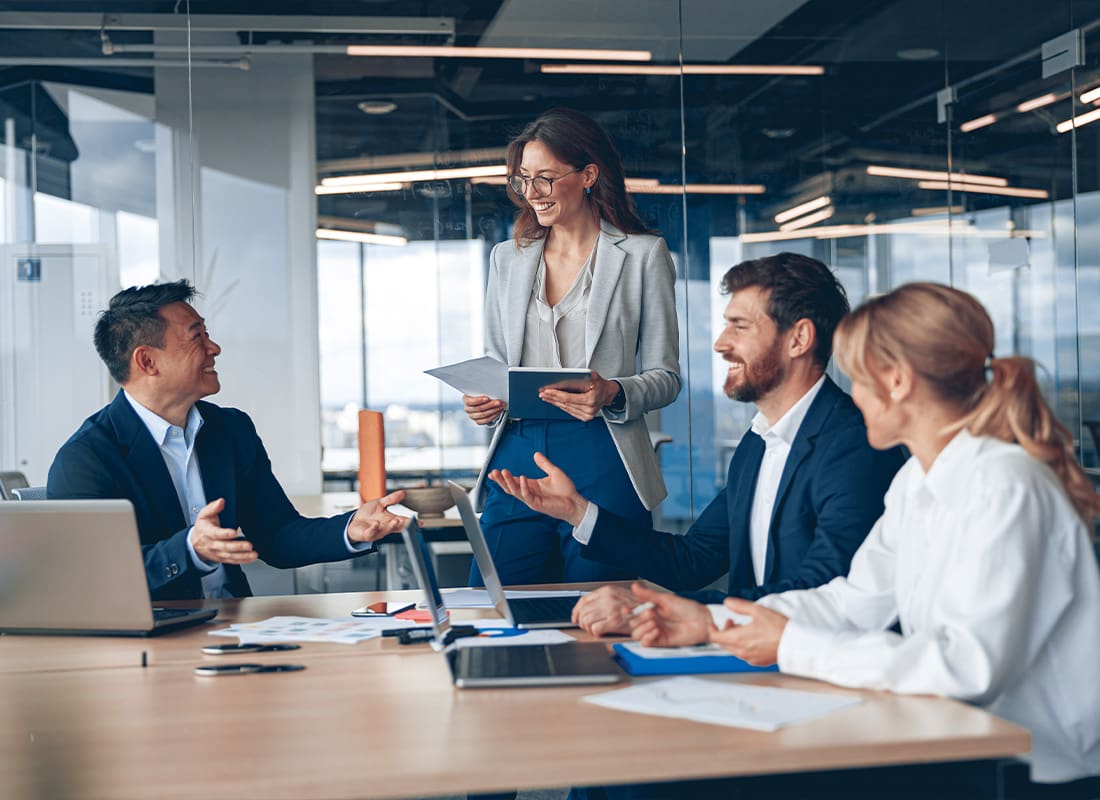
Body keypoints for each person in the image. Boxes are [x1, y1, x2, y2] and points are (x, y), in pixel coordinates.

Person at [629, 283, 1100, 796]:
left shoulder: (1003, 483)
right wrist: (714, 622)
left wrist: (789, 643)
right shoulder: (917, 480)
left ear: (897, 381)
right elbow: (854, 602)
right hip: (959, 741)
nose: (850, 394)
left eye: (858, 378)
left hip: (1030, 768)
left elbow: (965, 666)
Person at [491, 252, 904, 635]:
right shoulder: (759, 442)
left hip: (815, 668)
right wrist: (576, 511)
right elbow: (692, 560)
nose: (721, 343)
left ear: (799, 339)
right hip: (751, 657)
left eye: (740, 326)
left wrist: (655, 611)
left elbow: (820, 591)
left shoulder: (856, 447)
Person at [48, 280, 407, 601]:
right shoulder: (86, 458)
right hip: (153, 639)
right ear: (147, 361)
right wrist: (189, 550)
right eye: (197, 337)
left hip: (234, 627)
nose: (214, 347)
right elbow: (93, 579)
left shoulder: (230, 429)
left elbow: (278, 536)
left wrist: (350, 529)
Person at [463, 107, 681, 586]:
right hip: (518, 450)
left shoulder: (643, 255)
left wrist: (614, 392)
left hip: (604, 449)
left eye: (545, 179)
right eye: (522, 180)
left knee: (600, 607)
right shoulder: (508, 258)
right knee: (498, 604)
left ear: (588, 175)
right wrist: (485, 399)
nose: (532, 194)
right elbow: (497, 362)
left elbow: (666, 377)